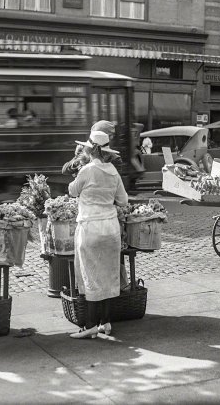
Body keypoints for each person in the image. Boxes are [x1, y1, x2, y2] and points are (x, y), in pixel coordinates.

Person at [68, 129, 129, 339]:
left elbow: (72, 191)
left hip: (90, 228)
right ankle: (106, 322)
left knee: (90, 276)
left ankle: (90, 325)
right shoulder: (113, 171)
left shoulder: (87, 170)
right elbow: (123, 201)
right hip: (111, 229)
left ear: (90, 149)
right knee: (108, 276)